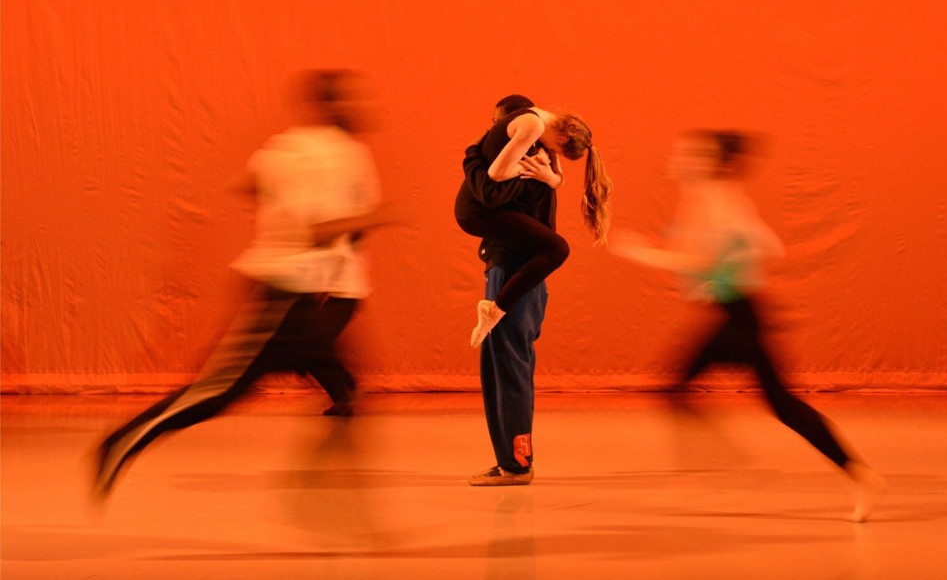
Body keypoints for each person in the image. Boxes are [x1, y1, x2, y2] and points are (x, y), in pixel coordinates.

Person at [93, 69, 395, 497]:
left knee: (343, 383)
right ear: (335, 106)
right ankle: (120, 440)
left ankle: (344, 507)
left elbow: (246, 184)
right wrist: (379, 216)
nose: (362, 108)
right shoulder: (338, 154)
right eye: (352, 100)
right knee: (217, 392)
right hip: (283, 294)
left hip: (296, 293)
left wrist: (278, 218)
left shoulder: (287, 145)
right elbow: (320, 230)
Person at [610, 130, 883, 521]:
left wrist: (640, 252)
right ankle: (853, 473)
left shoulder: (718, 203)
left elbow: (697, 261)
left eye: (690, 154)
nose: (679, 158)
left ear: (710, 162)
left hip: (740, 315)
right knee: (723, 396)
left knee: (768, 403)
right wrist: (735, 259)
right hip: (734, 312)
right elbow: (768, 245)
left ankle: (855, 474)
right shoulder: (710, 199)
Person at [453, 99, 611, 486]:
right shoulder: (542, 162)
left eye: (497, 122)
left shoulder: (530, 155)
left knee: (508, 367)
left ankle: (517, 464)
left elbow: (490, 194)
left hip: (513, 274)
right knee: (501, 366)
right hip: (515, 273)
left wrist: (471, 155)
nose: (495, 129)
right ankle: (510, 460)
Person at [455, 104, 612, 348]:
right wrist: (530, 166)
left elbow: (556, 176)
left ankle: (494, 311)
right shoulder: (533, 125)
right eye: (555, 150)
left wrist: (549, 176)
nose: (550, 154)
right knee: (557, 249)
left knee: (552, 247)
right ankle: (494, 311)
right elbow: (496, 174)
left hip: (484, 209)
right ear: (561, 137)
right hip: (478, 212)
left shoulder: (541, 121)